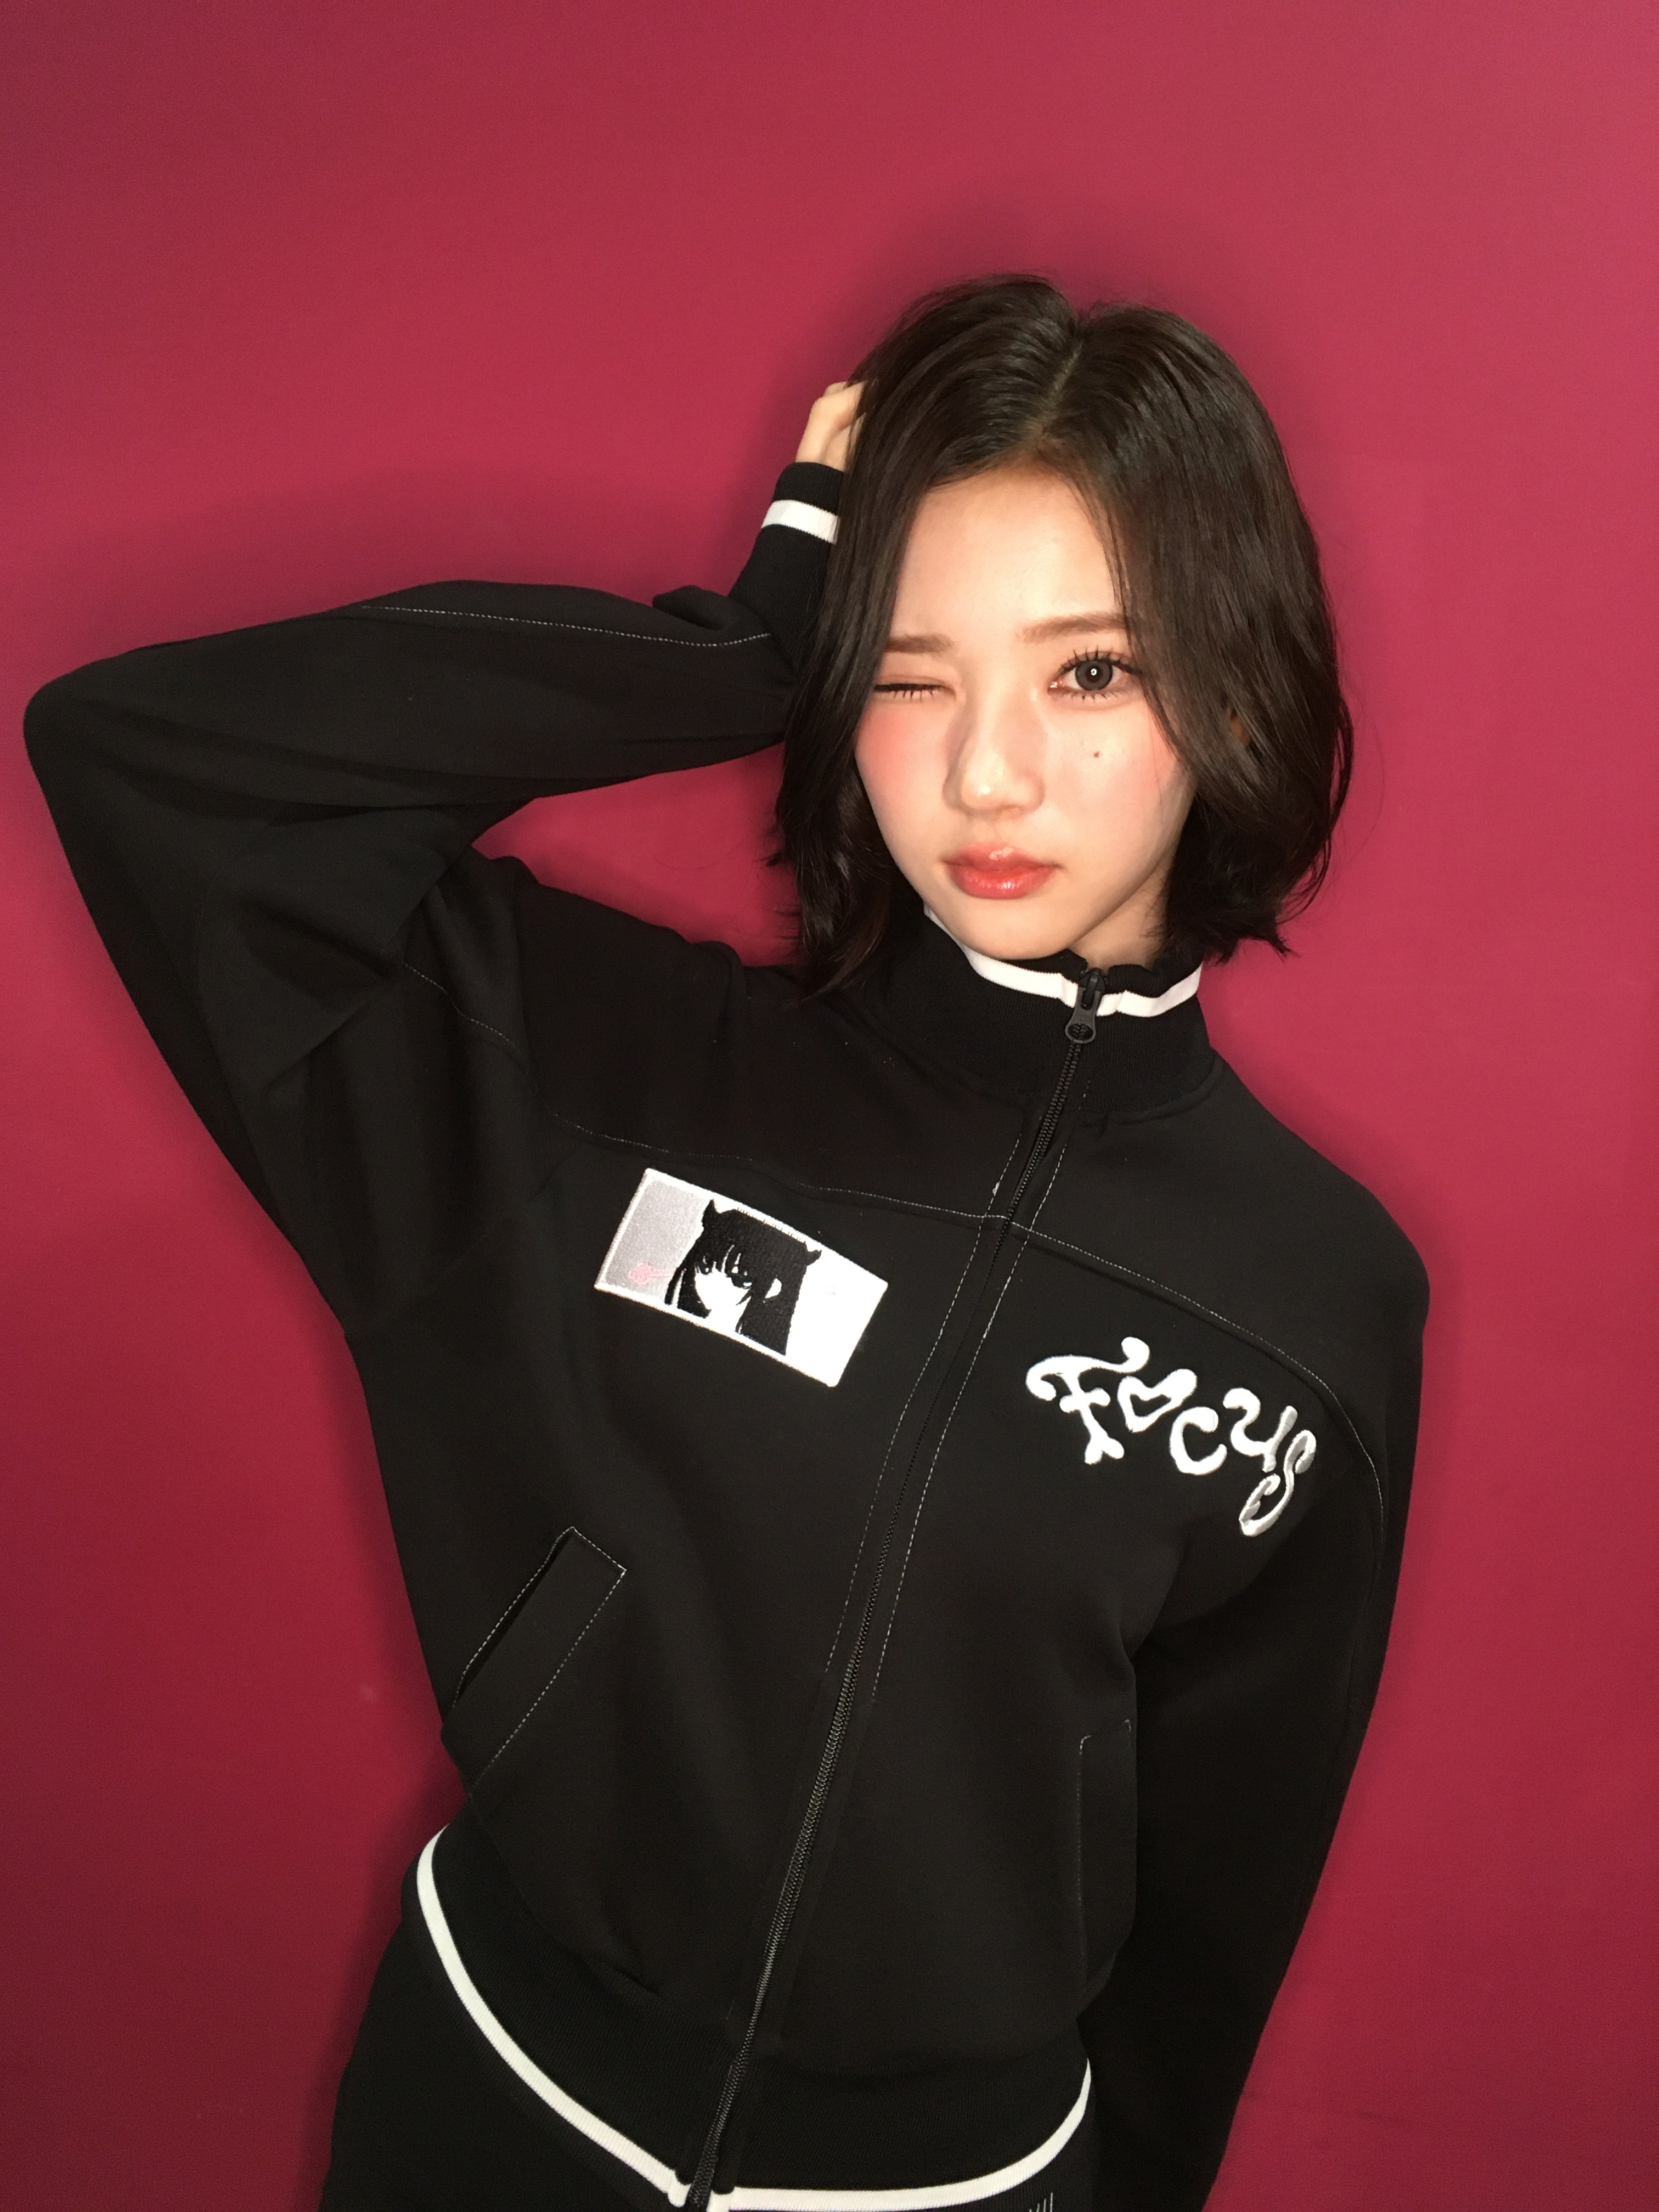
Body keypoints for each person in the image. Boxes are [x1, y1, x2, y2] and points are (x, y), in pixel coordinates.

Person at [25, 275, 1427, 2212]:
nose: (987, 772)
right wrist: (751, 643)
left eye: (1091, 673)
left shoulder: (1321, 1300)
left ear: (1240, 689)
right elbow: (148, 762)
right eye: (910, 674)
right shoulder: (594, 1073)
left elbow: (1216, 1919)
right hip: (495, 2113)